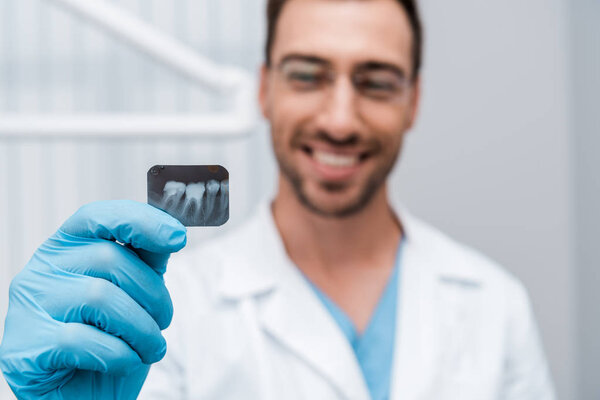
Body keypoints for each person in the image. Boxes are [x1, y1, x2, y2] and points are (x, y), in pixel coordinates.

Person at [0, 0, 556, 399]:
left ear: (413, 102)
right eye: (308, 75)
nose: (339, 119)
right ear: (265, 89)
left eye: (377, 81)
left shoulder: (495, 306)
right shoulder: (169, 311)